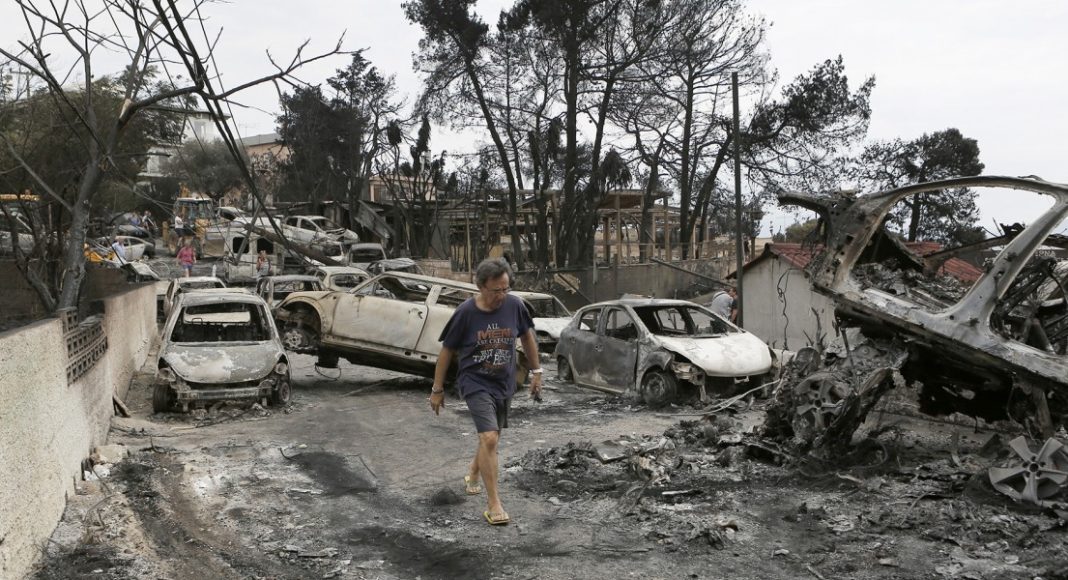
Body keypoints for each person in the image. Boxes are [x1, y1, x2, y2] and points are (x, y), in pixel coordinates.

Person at [430, 258, 542, 526]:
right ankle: (494, 504)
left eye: (505, 288)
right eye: (496, 290)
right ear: (481, 287)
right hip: (475, 381)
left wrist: (537, 372)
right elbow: (447, 350)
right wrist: (437, 389)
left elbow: (527, 336)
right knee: (489, 437)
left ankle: (473, 472)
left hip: (504, 383)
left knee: (491, 437)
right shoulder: (466, 312)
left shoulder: (515, 305)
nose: (501, 295)